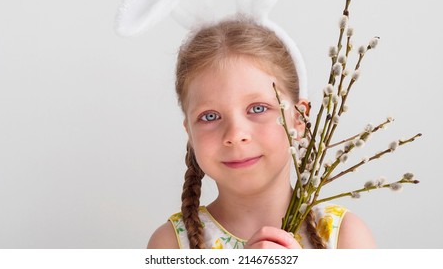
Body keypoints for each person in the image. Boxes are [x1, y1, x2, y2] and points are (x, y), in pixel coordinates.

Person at [147, 16, 376, 249]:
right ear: (190, 132)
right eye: (210, 116)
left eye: (257, 108)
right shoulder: (171, 244)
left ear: (299, 119)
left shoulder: (345, 236)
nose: (235, 134)